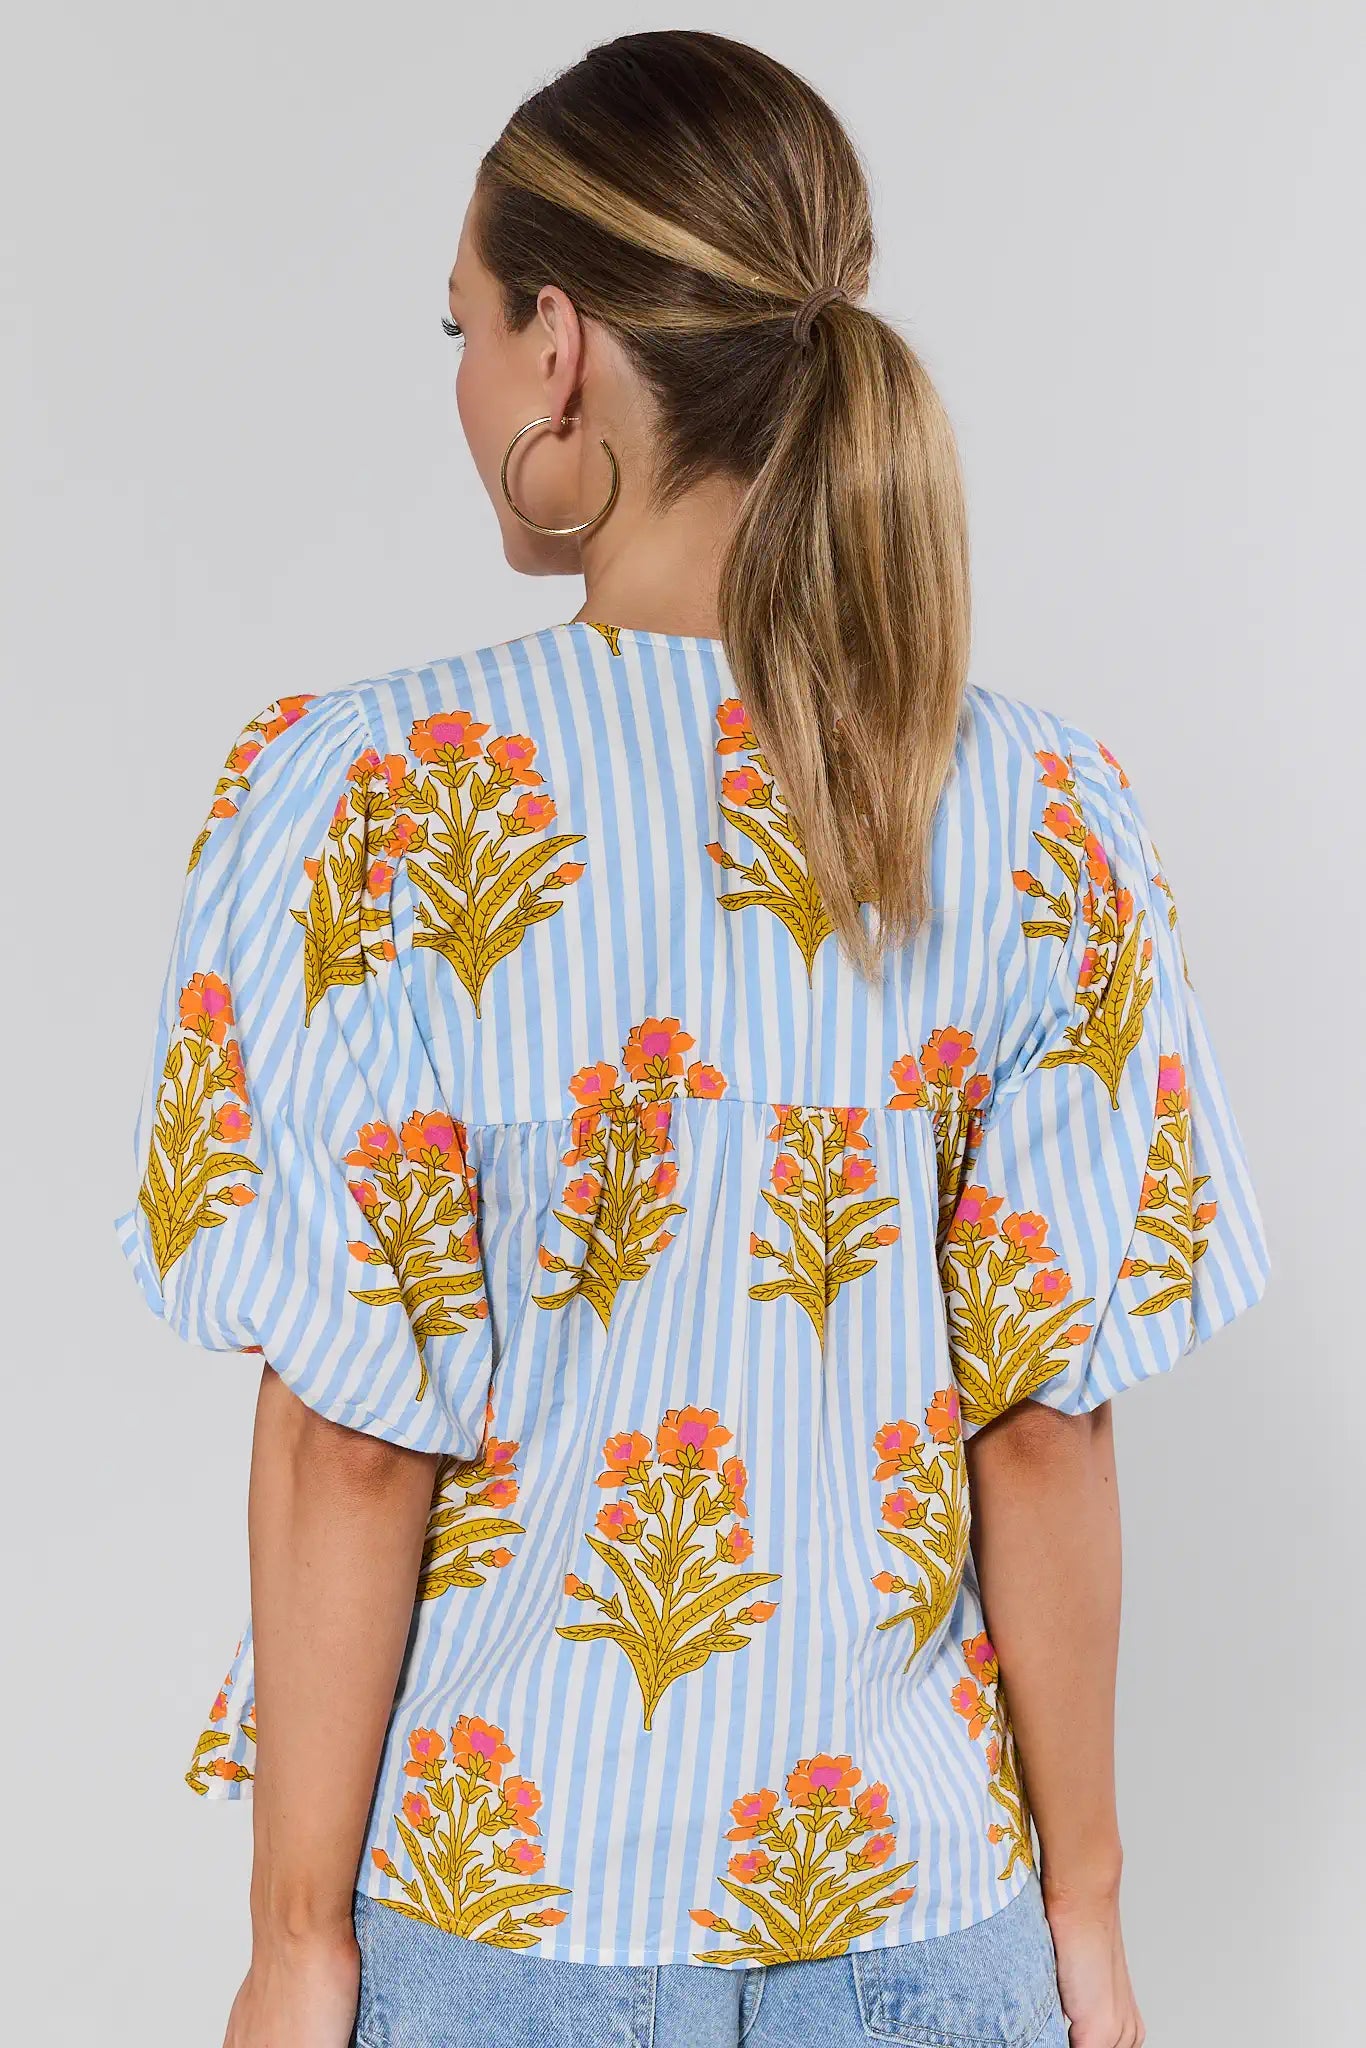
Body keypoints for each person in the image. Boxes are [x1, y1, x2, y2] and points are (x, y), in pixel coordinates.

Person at [116, 30, 1268, 2048]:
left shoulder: (366, 799)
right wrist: (1081, 1914)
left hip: (495, 1924)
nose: (465, 380)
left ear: (559, 349)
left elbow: (351, 1435)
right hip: (919, 1923)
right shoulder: (1031, 809)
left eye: (462, 324)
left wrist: (296, 1945)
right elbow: (1042, 1422)